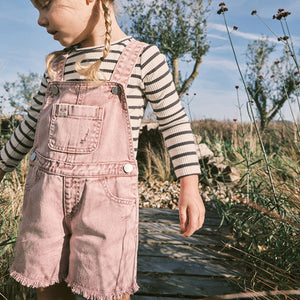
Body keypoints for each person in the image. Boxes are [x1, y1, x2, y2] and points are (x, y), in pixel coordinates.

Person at [0, 0, 205, 299]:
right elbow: (30, 125)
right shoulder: (58, 65)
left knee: (108, 286)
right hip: (46, 199)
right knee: (48, 283)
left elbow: (174, 122)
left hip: (107, 204)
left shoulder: (143, 58)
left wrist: (189, 184)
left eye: (46, 5)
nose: (41, 21)